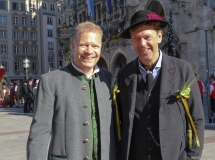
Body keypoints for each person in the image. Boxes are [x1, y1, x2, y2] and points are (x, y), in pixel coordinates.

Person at [117, 10, 205, 160]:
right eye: (136, 38)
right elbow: (119, 120)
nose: (142, 43)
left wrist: (192, 157)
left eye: (147, 37)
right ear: (131, 41)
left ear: (159, 36)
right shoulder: (124, 74)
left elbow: (196, 118)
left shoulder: (182, 69)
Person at [27, 21, 116, 160]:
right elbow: (39, 134)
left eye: (95, 46)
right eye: (84, 45)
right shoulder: (51, 81)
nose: (89, 51)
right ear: (73, 46)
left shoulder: (108, 78)